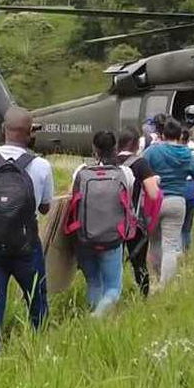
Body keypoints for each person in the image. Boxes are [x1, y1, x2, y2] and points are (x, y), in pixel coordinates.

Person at [0, 106, 55, 354]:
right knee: (37, 302)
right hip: (27, 247)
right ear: (30, 134)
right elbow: (46, 208)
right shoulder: (41, 166)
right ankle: (39, 349)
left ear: (4, 129)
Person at [67, 131, 135, 317]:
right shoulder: (125, 173)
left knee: (94, 282)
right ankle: (96, 320)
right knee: (113, 288)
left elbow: (72, 200)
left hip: (84, 237)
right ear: (115, 149)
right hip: (112, 238)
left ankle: (93, 315)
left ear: (94, 149)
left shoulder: (80, 172)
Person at [144, 119, 194, 290]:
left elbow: (142, 171)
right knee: (170, 246)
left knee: (155, 242)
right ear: (179, 135)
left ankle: (156, 278)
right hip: (176, 202)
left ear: (164, 134)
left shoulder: (152, 151)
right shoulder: (187, 154)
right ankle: (165, 286)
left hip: (154, 201)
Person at [116, 127, 161, 296]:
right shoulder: (140, 163)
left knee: (114, 262)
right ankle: (144, 295)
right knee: (139, 263)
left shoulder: (109, 161)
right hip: (133, 222)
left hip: (110, 221)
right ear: (136, 145)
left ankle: (114, 294)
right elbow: (153, 193)